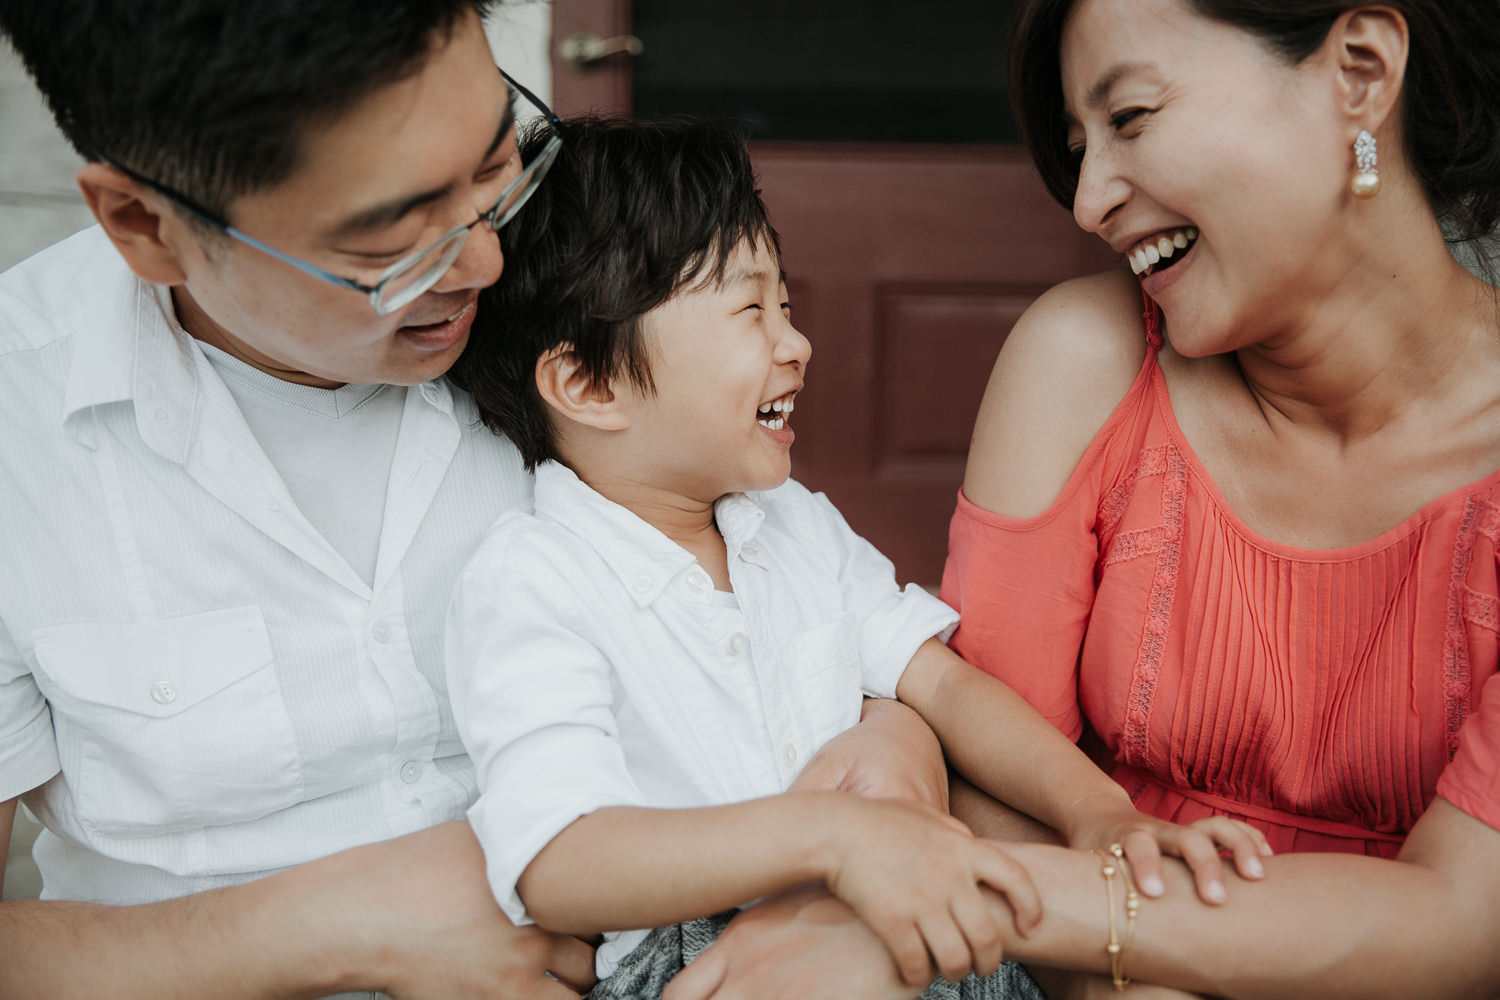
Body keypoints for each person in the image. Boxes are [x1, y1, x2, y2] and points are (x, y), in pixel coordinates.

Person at [0, 3, 1012, 997]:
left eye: (493, 168)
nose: (483, 259)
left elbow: (792, 598)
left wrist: (892, 749)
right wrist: (328, 928)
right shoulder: (22, 421)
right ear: (144, 225)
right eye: (393, 239)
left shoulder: (569, 308)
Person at [660, 1, 1500, 998]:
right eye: (1077, 146)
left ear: (1359, 70)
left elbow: (1461, 916)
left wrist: (960, 899)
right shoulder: (1083, 361)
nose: (1090, 198)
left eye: (1133, 116)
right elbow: (991, 756)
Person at [444, 114, 1268, 1000]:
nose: (794, 343)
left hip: (884, 901)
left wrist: (1098, 814)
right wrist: (831, 836)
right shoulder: (532, 578)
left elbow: (943, 686)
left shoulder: (792, 526)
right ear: (591, 385)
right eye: (749, 310)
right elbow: (562, 863)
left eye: (785, 305)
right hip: (700, 959)